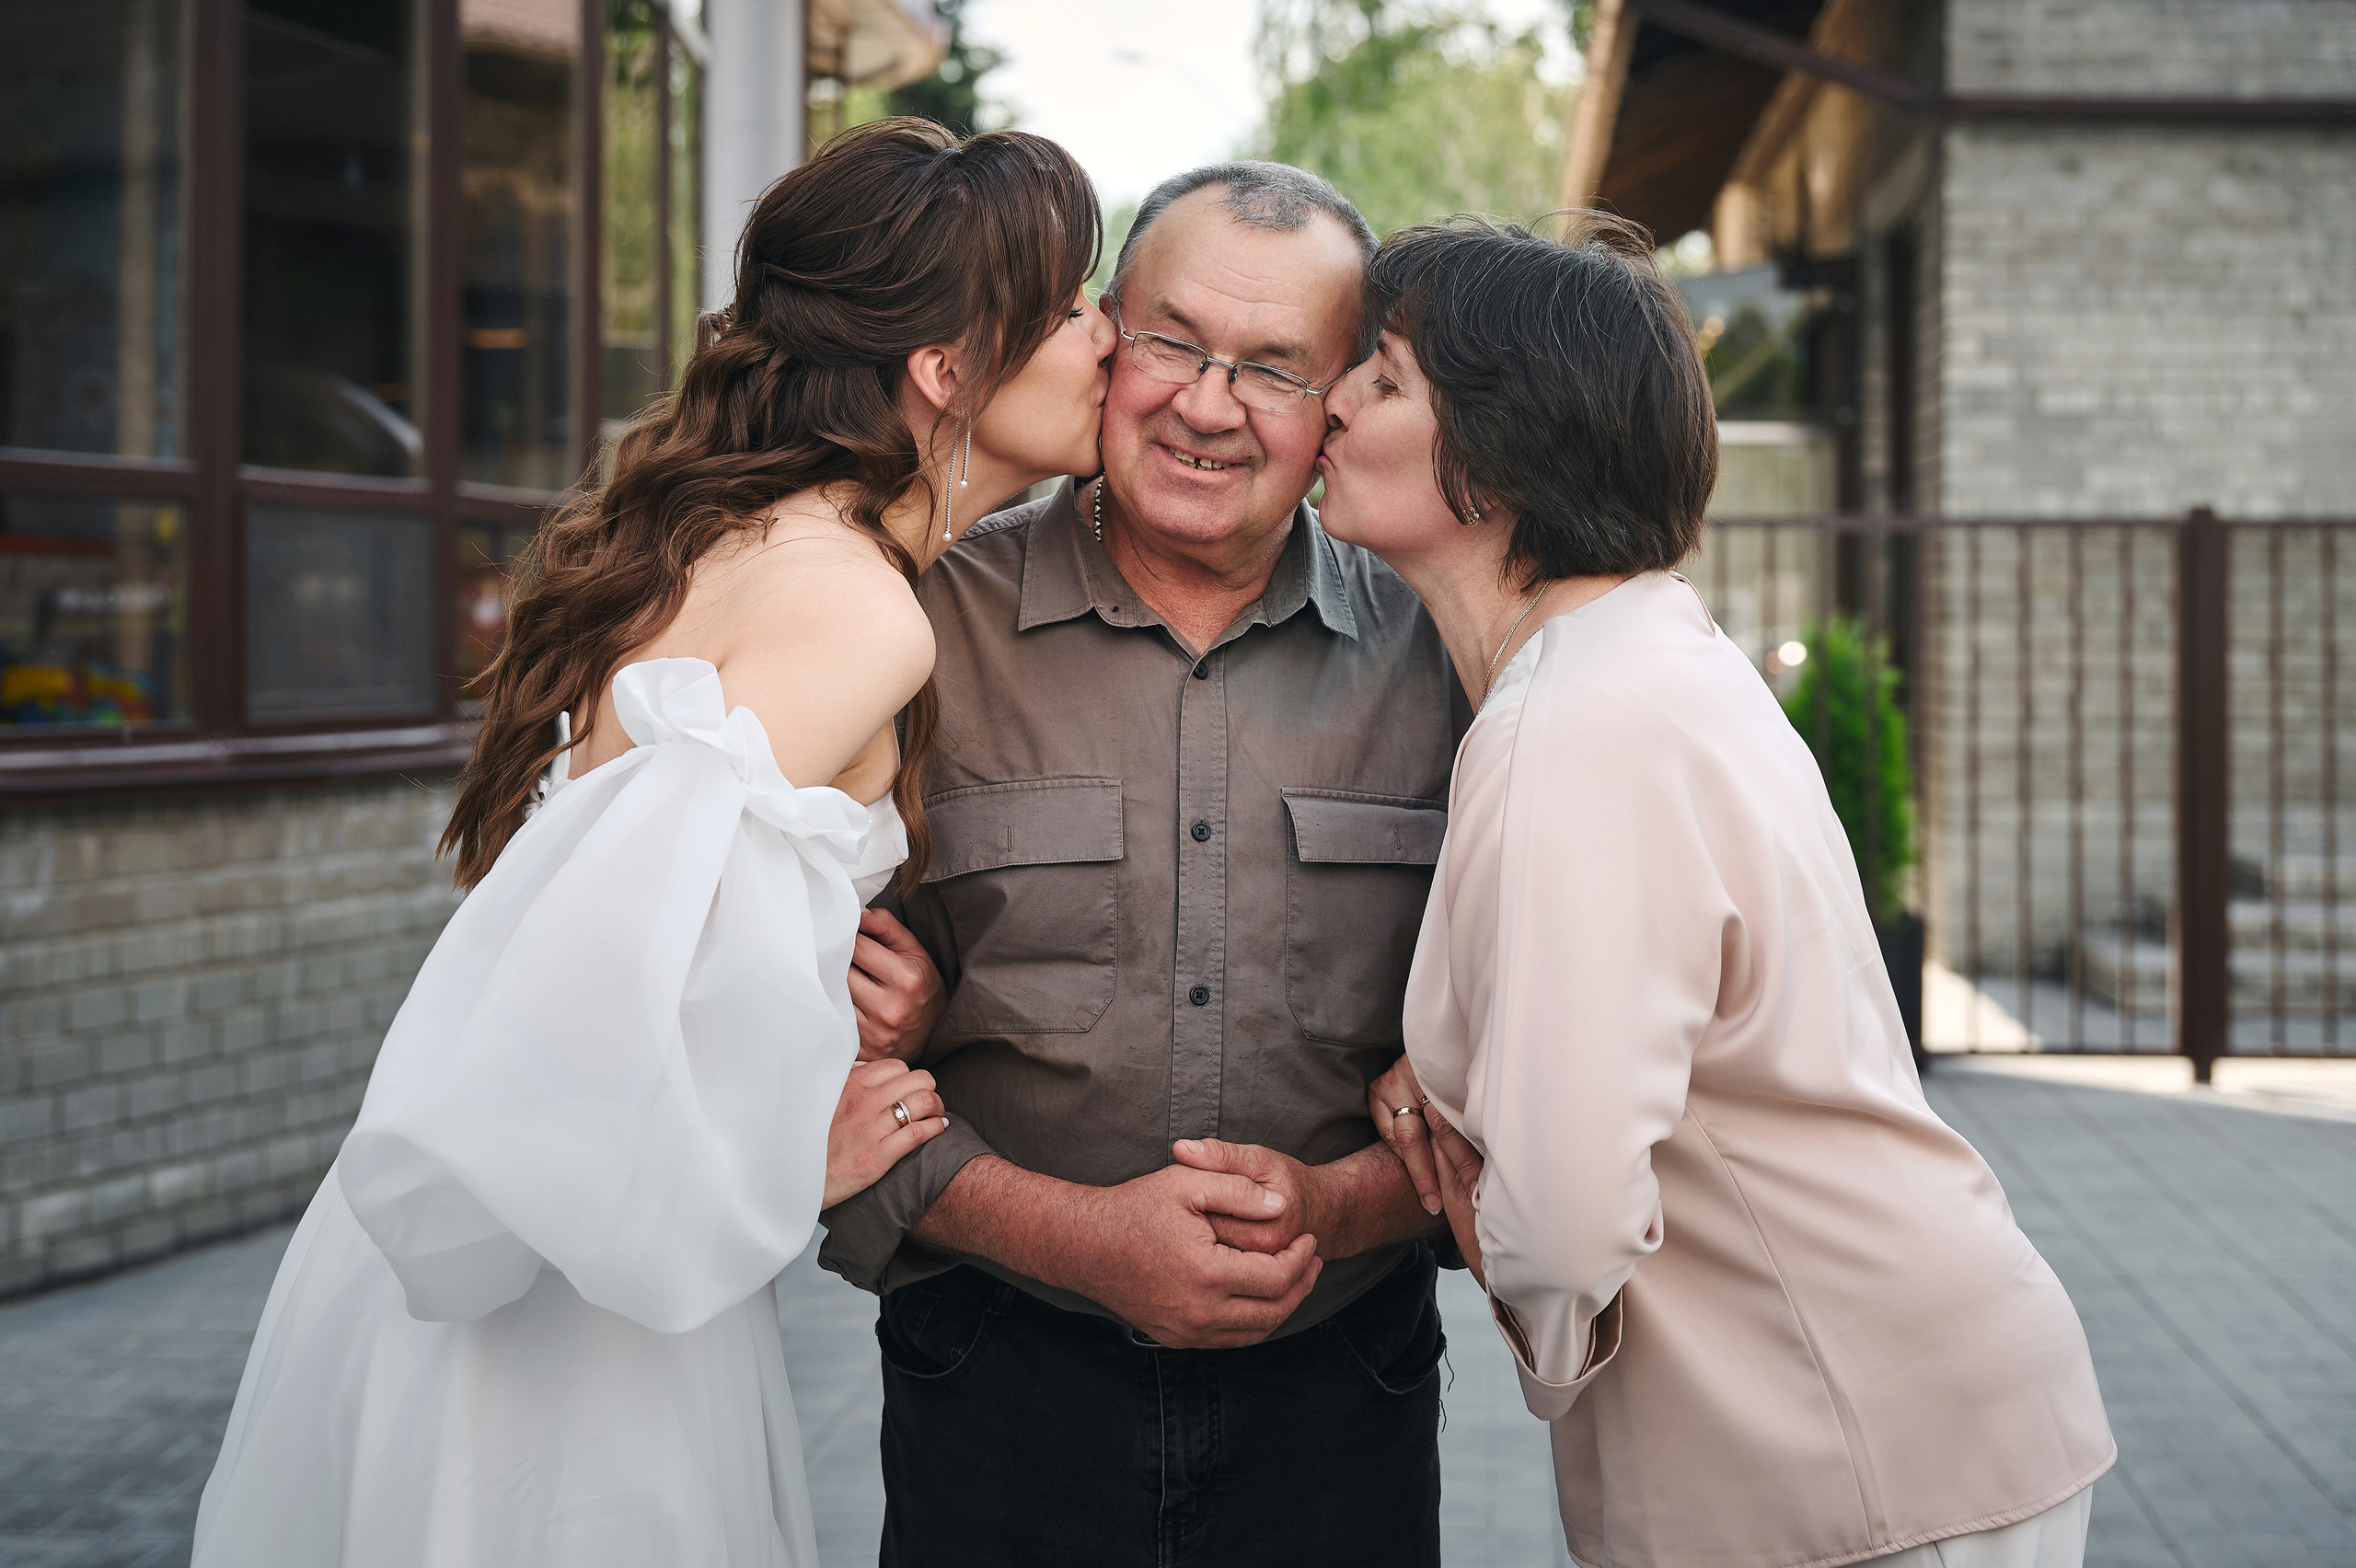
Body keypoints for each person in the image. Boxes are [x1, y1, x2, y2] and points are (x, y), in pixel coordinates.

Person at [191, 120, 1114, 1568]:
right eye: (1075, 307)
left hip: (538, 1263)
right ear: (948, 368)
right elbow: (581, 980)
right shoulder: (858, 609)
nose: (1110, 338)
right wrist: (785, 1156)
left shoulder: (743, 537)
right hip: (562, 1318)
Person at [1321, 213, 2116, 1568]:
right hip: (1920, 1413)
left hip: (1843, 1453)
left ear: (1507, 452)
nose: (1331, 400)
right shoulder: (1643, 659)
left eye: (1383, 378)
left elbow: (1566, 1233)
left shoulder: (1573, 719)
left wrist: (1478, 1196)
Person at [822, 163, 1465, 1567]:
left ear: (1343, 398)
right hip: (993, 1383)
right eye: (1172, 341)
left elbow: (1535, 1064)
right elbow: (793, 1058)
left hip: (1339, 1405)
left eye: (1276, 369)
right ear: (1107, 334)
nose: (1208, 403)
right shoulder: (913, 627)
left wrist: (1337, 1206)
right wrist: (1070, 1236)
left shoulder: (1446, 658)